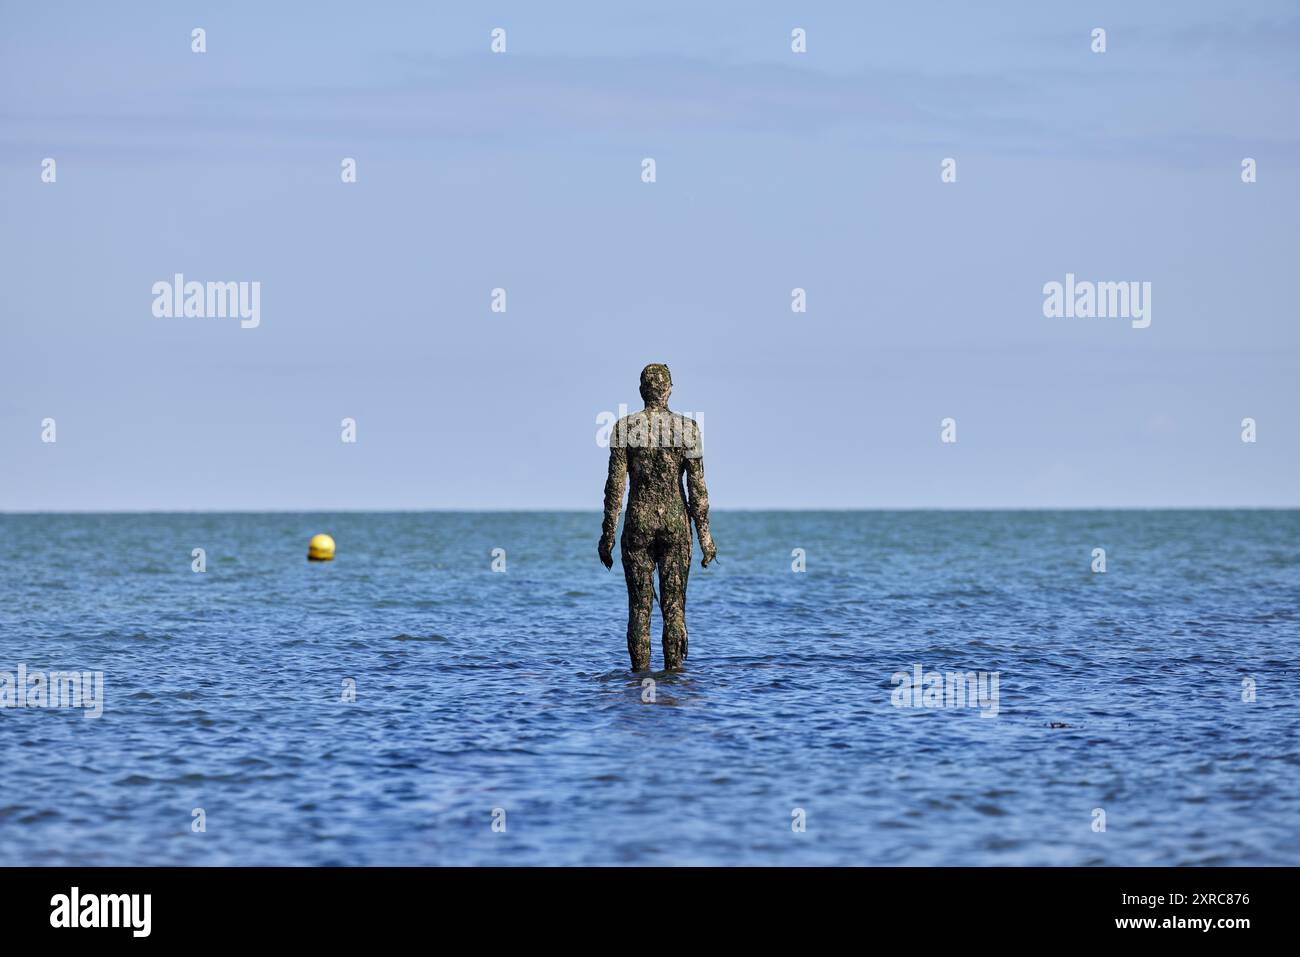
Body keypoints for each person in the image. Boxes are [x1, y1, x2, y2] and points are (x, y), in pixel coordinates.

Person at [599, 363, 716, 670]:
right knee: (674, 607)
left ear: (641, 391)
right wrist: (706, 539)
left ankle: (639, 677)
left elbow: (615, 488)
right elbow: (698, 490)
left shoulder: (624, 428)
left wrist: (607, 536)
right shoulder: (688, 428)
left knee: (639, 608)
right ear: (669, 390)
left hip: (638, 523)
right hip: (675, 525)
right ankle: (674, 676)